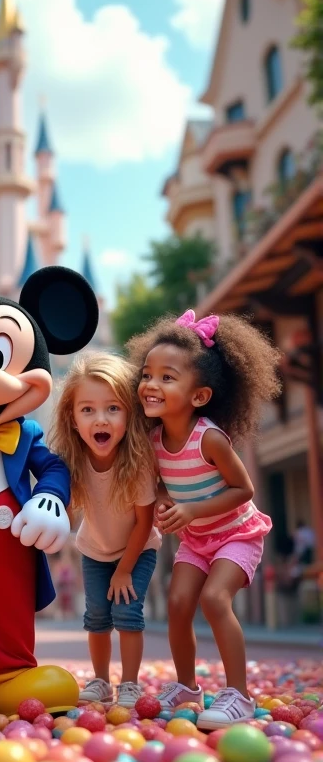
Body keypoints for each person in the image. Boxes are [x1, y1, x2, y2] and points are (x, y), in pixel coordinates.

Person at [129, 309, 281, 729]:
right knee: (178, 604)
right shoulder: (155, 440)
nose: (151, 385)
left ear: (199, 396)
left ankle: (239, 695)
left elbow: (243, 490)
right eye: (147, 374)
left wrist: (193, 509)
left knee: (215, 599)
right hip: (196, 540)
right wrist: (163, 501)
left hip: (237, 534)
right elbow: (164, 484)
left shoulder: (209, 438)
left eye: (167, 377)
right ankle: (187, 686)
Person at [49, 352, 160, 708]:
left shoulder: (138, 462)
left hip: (138, 549)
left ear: (130, 412)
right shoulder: (72, 460)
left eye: (113, 408)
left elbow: (145, 522)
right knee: (96, 616)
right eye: (88, 410)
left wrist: (125, 570)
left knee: (127, 613)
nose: (101, 419)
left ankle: (129, 683)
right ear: (72, 417)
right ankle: (100, 680)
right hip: (94, 549)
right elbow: (59, 506)